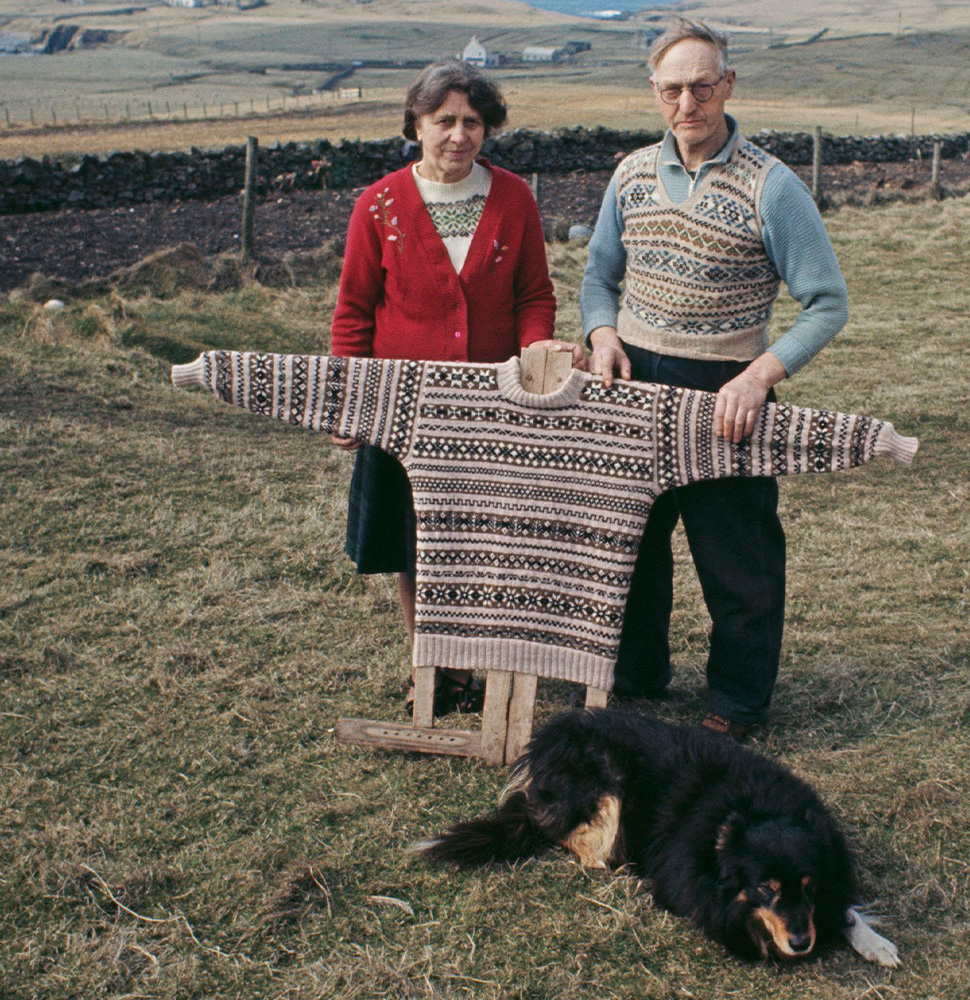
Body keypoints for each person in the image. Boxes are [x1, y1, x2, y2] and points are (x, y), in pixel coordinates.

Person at [580, 20, 849, 740]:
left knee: (738, 560)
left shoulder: (773, 185)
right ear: (654, 92)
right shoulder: (630, 174)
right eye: (673, 88)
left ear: (728, 85)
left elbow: (827, 302)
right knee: (628, 545)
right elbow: (598, 277)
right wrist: (602, 333)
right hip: (632, 383)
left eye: (702, 85)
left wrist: (760, 375)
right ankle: (634, 676)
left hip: (725, 391)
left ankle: (736, 703)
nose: (688, 102)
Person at [331, 60, 583, 716]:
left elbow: (534, 293)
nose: (459, 135)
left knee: (482, 538)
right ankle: (430, 666)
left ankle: (477, 663)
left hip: (491, 405)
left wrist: (535, 355)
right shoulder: (379, 206)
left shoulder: (514, 199)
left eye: (473, 121)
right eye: (444, 120)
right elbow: (355, 311)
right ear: (416, 124)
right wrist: (349, 400)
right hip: (401, 408)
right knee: (412, 540)